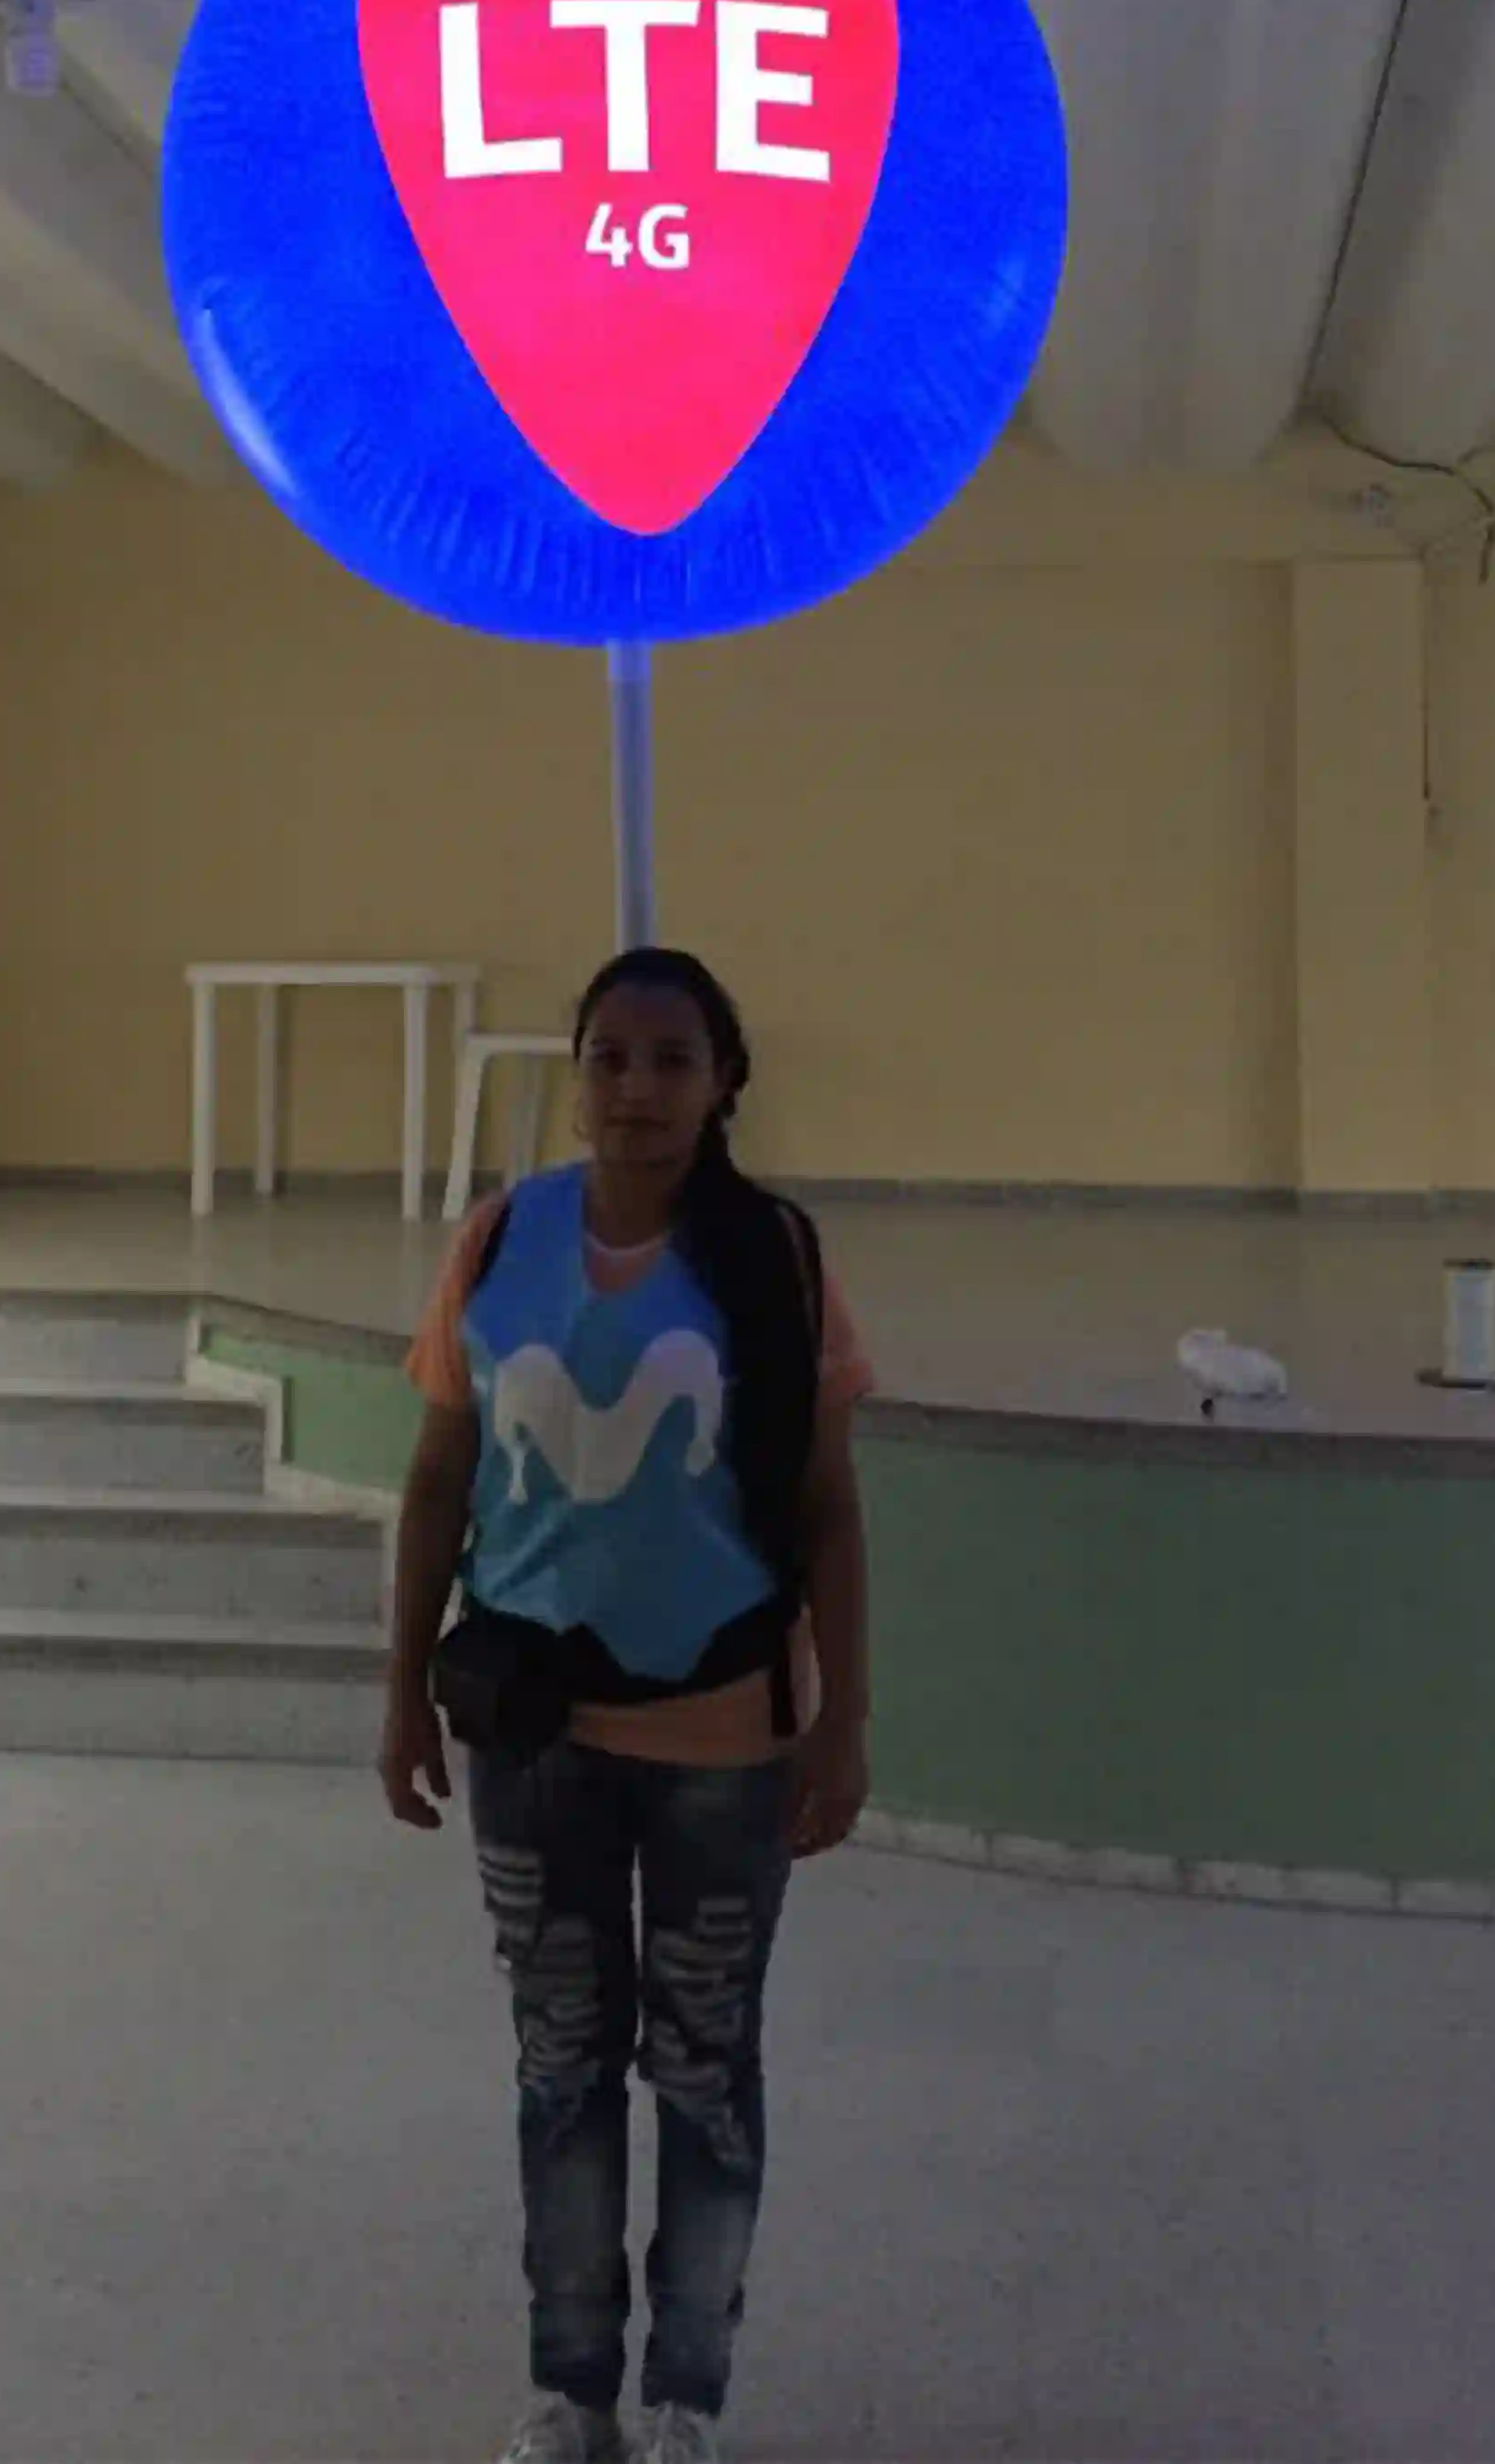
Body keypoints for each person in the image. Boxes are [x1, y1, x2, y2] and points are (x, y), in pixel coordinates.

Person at [379, 949, 875, 2464]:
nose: (636, 1089)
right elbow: (439, 1479)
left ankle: (684, 2400)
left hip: (722, 1729)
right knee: (561, 2064)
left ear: (723, 1082)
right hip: (530, 1734)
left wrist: (841, 1720)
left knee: (706, 2069)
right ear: (575, 1072)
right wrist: (402, 1690)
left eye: (672, 1059)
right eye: (609, 1056)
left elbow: (829, 1509)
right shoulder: (500, 1239)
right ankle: (571, 2390)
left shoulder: (770, 1260)